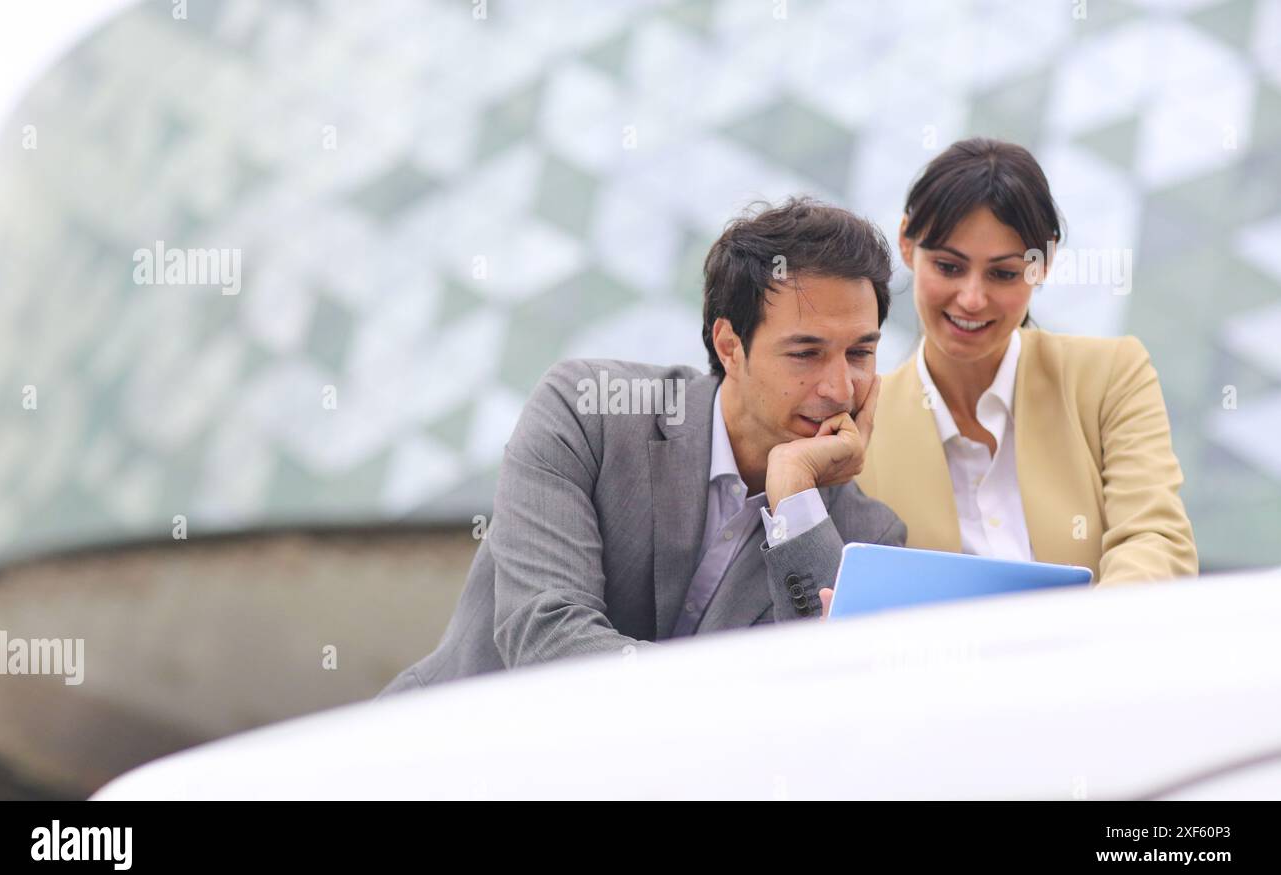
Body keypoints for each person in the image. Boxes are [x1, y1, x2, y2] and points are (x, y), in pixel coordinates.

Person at [379, 197, 904, 695]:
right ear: (729, 347)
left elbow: (827, 696)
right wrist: (749, 697)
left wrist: (794, 503)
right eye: (806, 353)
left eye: (860, 353)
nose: (840, 388)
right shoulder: (588, 412)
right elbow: (547, 639)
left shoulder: (865, 537)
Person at [854, 138, 1197, 586]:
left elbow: (1155, 537)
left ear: (1044, 263)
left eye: (1003, 273)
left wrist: (1097, 643)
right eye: (949, 267)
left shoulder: (1111, 377)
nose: (972, 299)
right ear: (906, 244)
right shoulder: (861, 424)